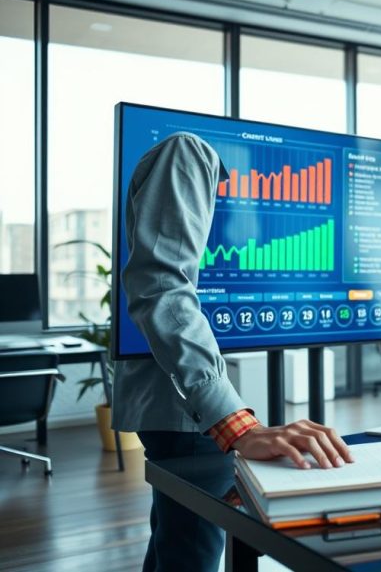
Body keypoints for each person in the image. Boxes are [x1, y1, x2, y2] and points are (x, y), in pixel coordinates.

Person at [114, 132, 353, 572]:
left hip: (184, 403)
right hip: (188, 408)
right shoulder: (188, 152)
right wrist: (235, 424)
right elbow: (161, 284)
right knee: (192, 554)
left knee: (177, 544)